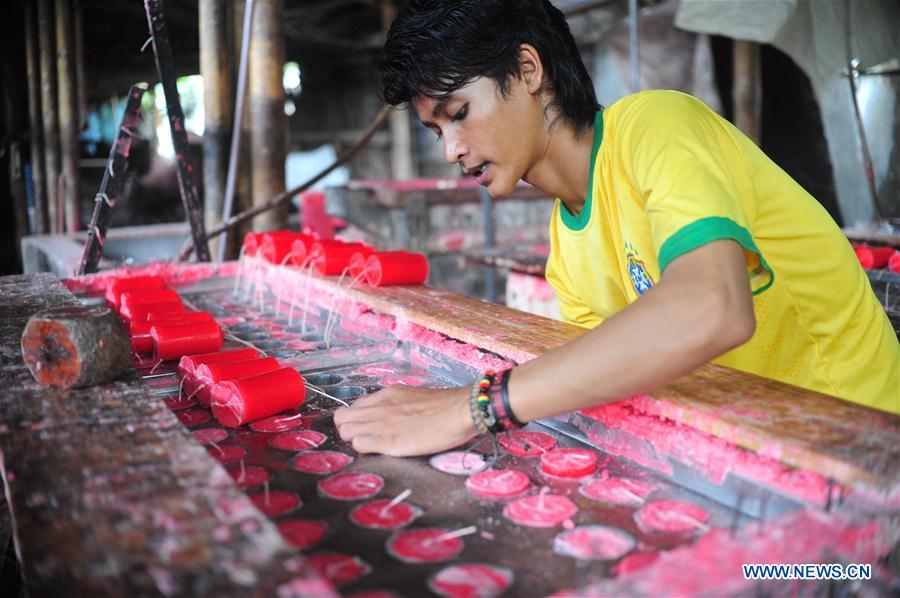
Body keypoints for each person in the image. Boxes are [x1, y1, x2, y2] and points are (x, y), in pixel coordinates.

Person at [334, 0, 899, 456]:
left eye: (458, 113)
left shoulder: (656, 127)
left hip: (862, 444)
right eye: (436, 132)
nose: (452, 149)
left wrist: (473, 408)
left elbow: (713, 307)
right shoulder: (568, 246)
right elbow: (615, 374)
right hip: (765, 450)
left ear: (528, 70)